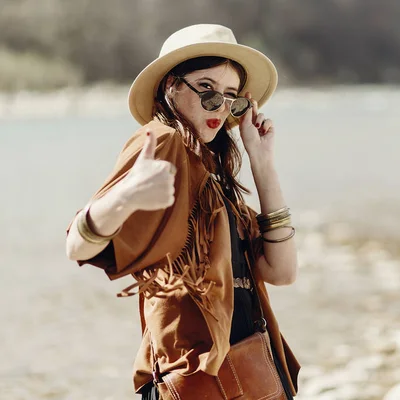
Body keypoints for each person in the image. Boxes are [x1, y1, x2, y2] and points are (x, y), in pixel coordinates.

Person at [65, 24, 300, 399]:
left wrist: (262, 162)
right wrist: (125, 195)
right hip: (194, 375)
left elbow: (282, 271)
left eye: (230, 97)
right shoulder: (163, 140)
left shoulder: (213, 171)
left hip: (242, 372)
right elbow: (78, 244)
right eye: (206, 89)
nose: (220, 108)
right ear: (171, 86)